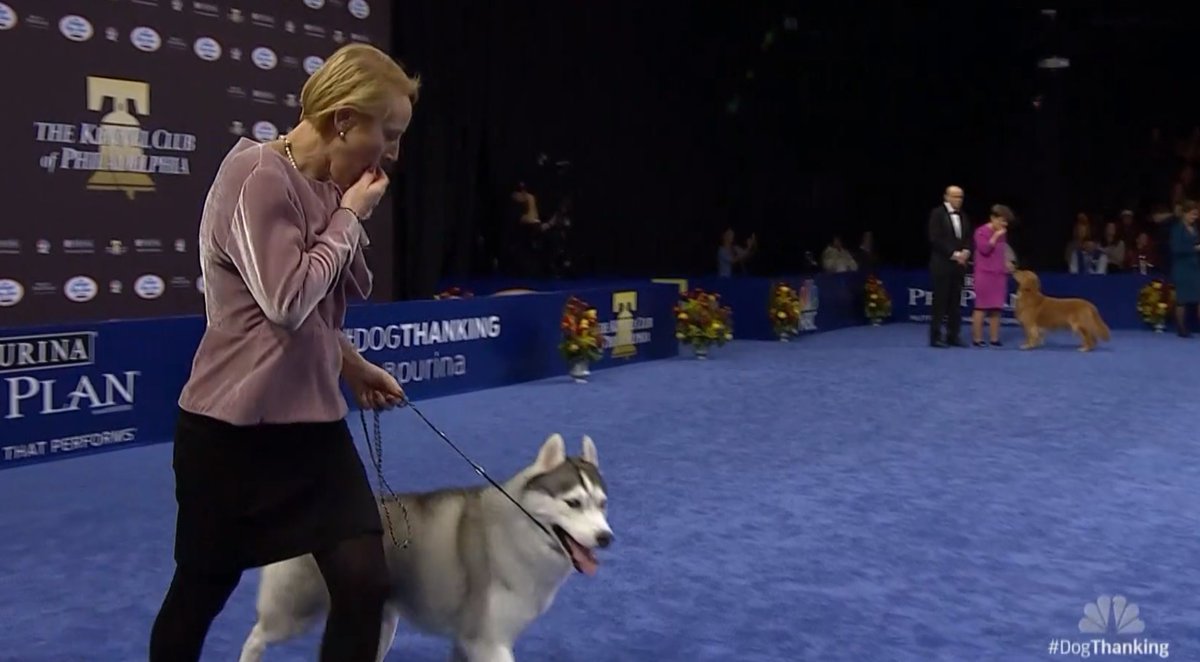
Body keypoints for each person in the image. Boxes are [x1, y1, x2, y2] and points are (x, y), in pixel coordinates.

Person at [148, 44, 417, 662]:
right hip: (230, 436)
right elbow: (288, 301)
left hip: (314, 431)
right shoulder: (255, 176)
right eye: (390, 134)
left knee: (365, 580)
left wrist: (355, 368)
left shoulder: (325, 187)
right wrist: (350, 216)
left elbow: (321, 313)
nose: (395, 154)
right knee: (201, 590)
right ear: (345, 120)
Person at [928, 185, 972, 347]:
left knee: (955, 303)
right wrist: (954, 254)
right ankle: (935, 336)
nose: (958, 200)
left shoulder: (964, 216)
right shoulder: (937, 214)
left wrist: (966, 251)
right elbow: (935, 238)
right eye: (955, 196)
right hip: (942, 265)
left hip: (959, 266)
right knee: (940, 302)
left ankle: (953, 335)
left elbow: (967, 237)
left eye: (960, 197)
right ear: (946, 197)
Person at [971, 204, 1014, 346]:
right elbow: (984, 249)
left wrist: (1006, 263)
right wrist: (995, 236)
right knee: (981, 307)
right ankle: (977, 339)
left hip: (999, 275)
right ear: (992, 218)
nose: (1004, 224)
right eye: (1002, 220)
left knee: (996, 308)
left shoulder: (1003, 233)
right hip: (984, 274)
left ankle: (994, 338)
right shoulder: (981, 232)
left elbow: (1001, 251)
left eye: (1005, 221)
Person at [1169, 199, 1200, 336]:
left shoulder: (1195, 228)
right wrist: (1194, 249)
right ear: (1185, 214)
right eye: (1193, 214)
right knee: (1182, 300)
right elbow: (1176, 248)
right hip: (1182, 268)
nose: (1195, 217)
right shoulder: (1177, 229)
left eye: (1196, 214)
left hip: (1195, 267)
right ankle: (1181, 328)